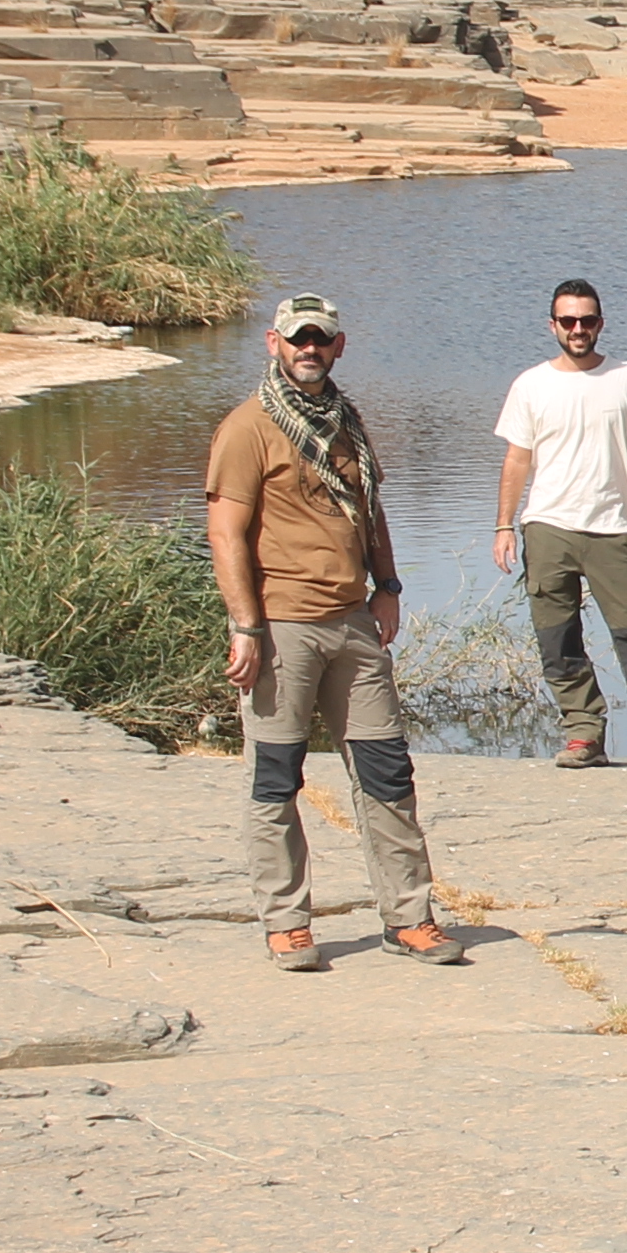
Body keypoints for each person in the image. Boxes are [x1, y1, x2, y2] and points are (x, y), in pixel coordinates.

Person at [203, 290, 467, 971]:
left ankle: (409, 918)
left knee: (387, 775)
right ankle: (287, 922)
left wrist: (389, 586)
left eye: (320, 339)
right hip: (282, 625)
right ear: (274, 343)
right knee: (275, 778)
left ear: (338, 346)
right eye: (298, 339)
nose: (309, 350)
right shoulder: (248, 428)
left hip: (353, 622)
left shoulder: (346, 422)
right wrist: (245, 627)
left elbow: (371, 508)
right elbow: (226, 533)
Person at [491, 277, 627, 781]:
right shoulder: (531, 384)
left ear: (600, 324)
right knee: (557, 637)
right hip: (547, 526)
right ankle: (583, 732)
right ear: (553, 326)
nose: (578, 329)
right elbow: (516, 460)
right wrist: (504, 525)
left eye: (587, 320)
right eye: (568, 321)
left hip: (613, 527)